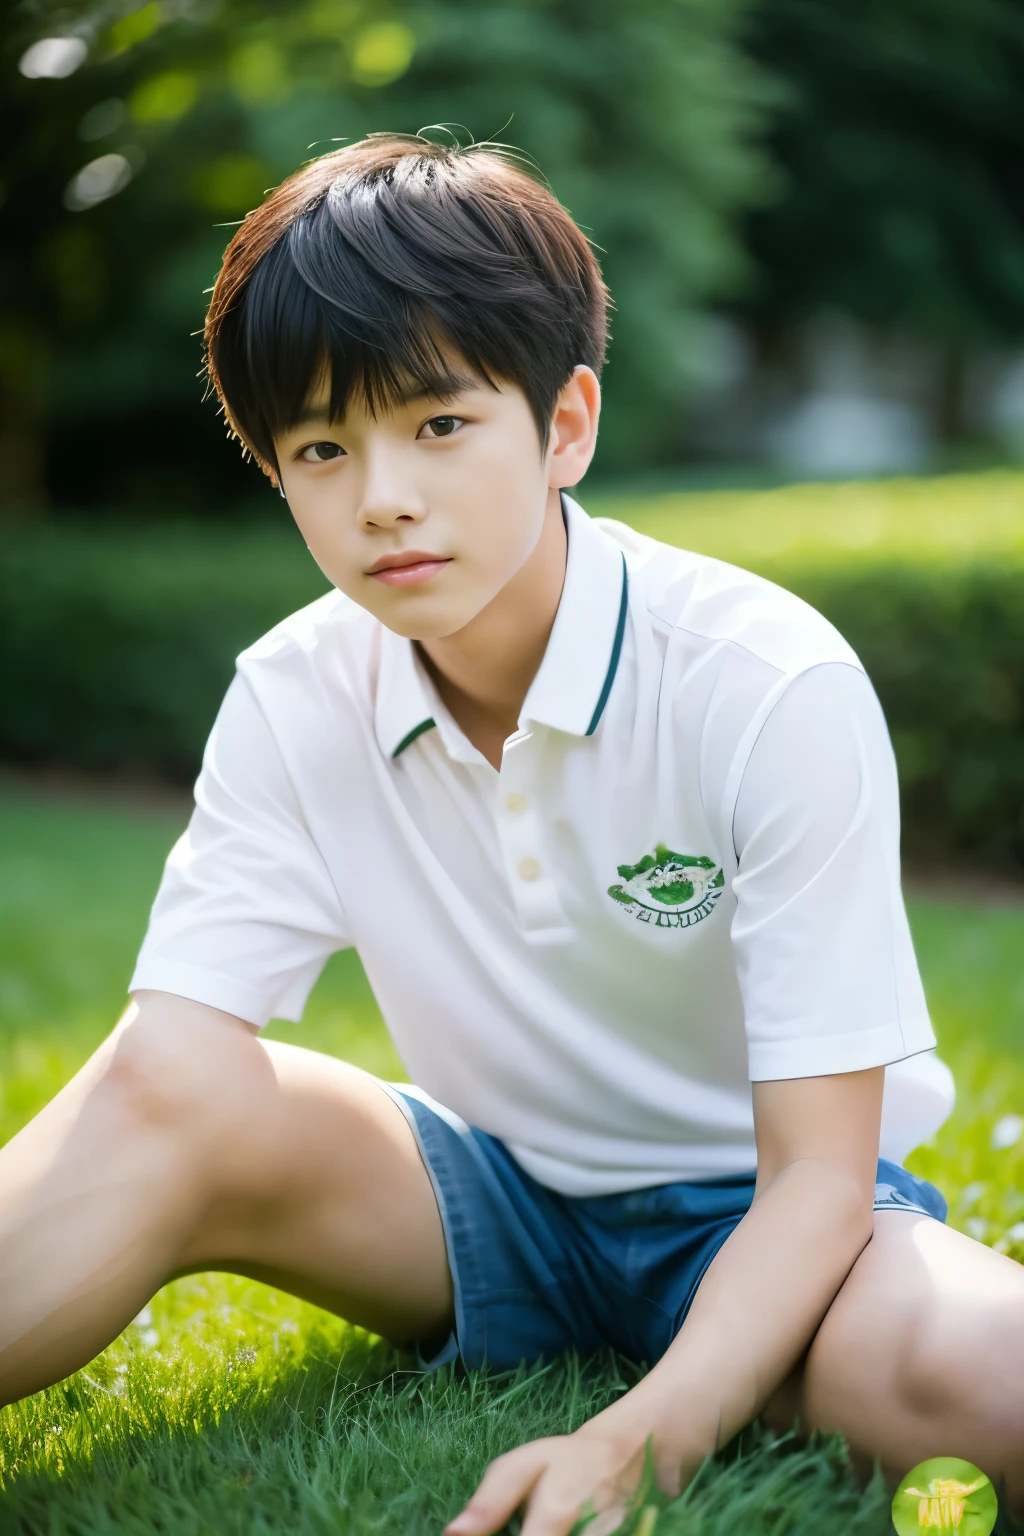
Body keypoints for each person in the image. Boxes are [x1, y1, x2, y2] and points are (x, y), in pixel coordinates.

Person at [2, 133, 1022, 1535]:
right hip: (481, 1203)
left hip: (775, 1215)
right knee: (170, 1077)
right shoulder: (294, 694)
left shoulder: (763, 679)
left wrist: (639, 1439)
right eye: (320, 447)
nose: (383, 499)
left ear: (565, 426)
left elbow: (819, 1176)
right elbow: (167, 1073)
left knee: (984, 1370)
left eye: (438, 424)